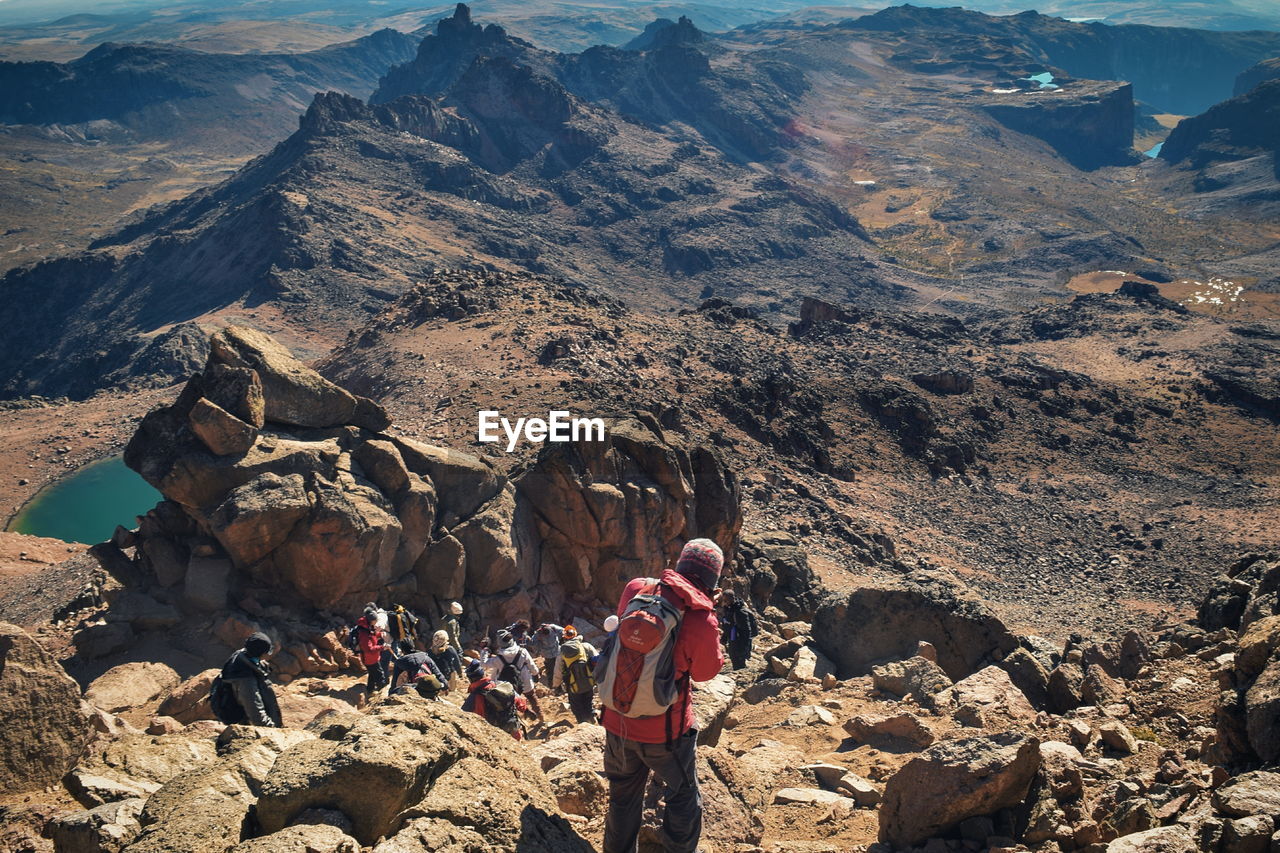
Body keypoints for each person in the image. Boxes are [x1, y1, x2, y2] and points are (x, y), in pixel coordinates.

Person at [599, 538, 725, 853]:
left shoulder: (637, 589)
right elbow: (706, 672)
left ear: (680, 563)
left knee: (623, 798)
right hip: (665, 735)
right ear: (713, 580)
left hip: (617, 723)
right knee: (683, 797)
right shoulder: (701, 617)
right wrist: (710, 614)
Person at [212, 632, 282, 727]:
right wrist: (272, 730)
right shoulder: (245, 680)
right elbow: (256, 713)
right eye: (265, 653)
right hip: (240, 717)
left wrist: (260, 665)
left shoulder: (241, 654)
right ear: (260, 654)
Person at [486, 628, 544, 722]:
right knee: (532, 698)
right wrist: (536, 674)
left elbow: (484, 664)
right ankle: (541, 718)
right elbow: (531, 665)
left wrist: (485, 650)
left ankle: (518, 720)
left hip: (508, 685)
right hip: (525, 681)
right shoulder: (522, 652)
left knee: (511, 703)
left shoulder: (499, 658)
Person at [462, 659, 527, 740]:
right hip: (514, 730)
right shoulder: (500, 685)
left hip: (497, 737)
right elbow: (521, 704)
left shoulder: (475, 697)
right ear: (483, 674)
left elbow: (470, 719)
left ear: (470, 679)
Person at [552, 624, 599, 724]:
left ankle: (582, 723)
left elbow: (558, 671)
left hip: (572, 684)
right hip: (588, 680)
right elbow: (598, 661)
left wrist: (556, 685)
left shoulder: (562, 652)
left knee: (577, 707)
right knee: (588, 702)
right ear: (576, 635)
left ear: (564, 637)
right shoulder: (586, 646)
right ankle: (591, 717)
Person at [354, 603, 392, 700]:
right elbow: (369, 649)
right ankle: (382, 698)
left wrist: (379, 635)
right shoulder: (364, 632)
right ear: (372, 620)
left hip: (372, 658)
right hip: (370, 659)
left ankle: (369, 690)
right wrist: (382, 647)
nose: (376, 623)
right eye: (375, 621)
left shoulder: (367, 627)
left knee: (372, 674)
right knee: (380, 677)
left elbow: (373, 636)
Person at [719, 590, 758, 671]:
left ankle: (741, 677)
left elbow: (747, 631)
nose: (724, 602)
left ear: (732, 598)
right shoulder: (728, 610)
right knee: (733, 658)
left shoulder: (740, 612)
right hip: (732, 639)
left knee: (739, 661)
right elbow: (728, 625)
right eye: (723, 600)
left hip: (740, 641)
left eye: (726, 600)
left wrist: (745, 647)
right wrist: (724, 638)